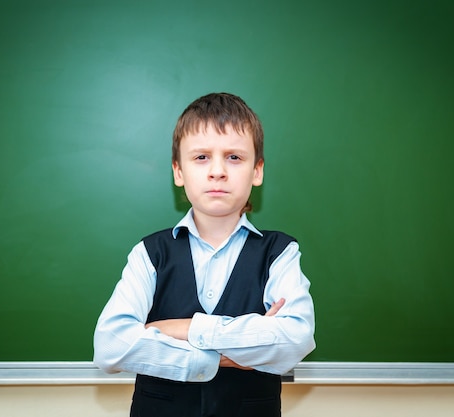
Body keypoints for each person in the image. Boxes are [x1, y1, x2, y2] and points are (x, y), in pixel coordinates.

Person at [93, 92, 315, 417]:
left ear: (257, 171)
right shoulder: (150, 254)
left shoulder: (280, 253)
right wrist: (228, 354)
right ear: (178, 172)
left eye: (234, 157)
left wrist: (177, 329)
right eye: (201, 158)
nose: (217, 171)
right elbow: (110, 346)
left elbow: (294, 340)